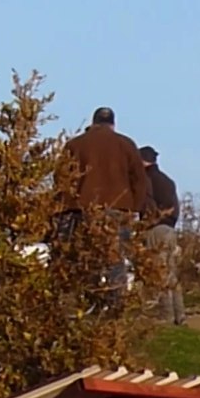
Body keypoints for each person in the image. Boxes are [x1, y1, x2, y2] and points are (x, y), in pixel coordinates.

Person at [55, 106, 150, 305]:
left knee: (84, 255)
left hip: (83, 208)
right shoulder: (126, 144)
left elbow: (61, 179)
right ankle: (115, 305)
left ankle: (86, 303)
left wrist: (64, 207)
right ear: (113, 124)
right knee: (115, 258)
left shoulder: (75, 145)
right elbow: (140, 181)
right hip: (119, 209)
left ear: (93, 123)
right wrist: (136, 209)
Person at [140, 145, 185, 326]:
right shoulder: (167, 180)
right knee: (171, 274)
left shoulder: (146, 180)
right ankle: (179, 316)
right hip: (169, 229)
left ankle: (165, 315)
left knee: (158, 274)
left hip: (155, 229)